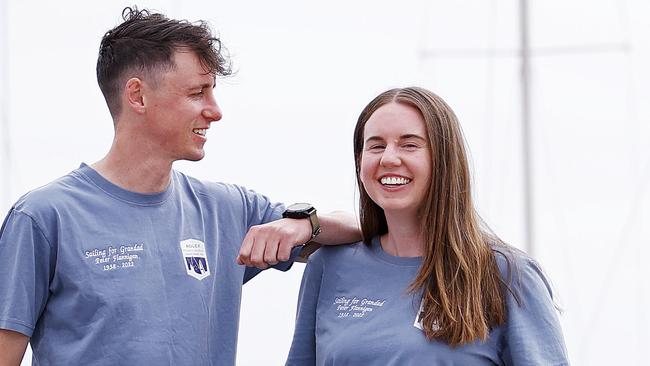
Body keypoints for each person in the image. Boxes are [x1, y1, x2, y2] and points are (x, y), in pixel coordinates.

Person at [0, 7, 359, 366]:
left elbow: (364, 227)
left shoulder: (228, 209)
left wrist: (303, 222)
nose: (215, 111)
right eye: (197, 92)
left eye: (212, 92)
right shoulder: (43, 217)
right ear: (137, 96)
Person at [285, 87, 570, 365]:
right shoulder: (327, 266)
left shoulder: (509, 276)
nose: (389, 158)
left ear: (444, 160)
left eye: (409, 144)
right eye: (376, 145)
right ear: (360, 162)